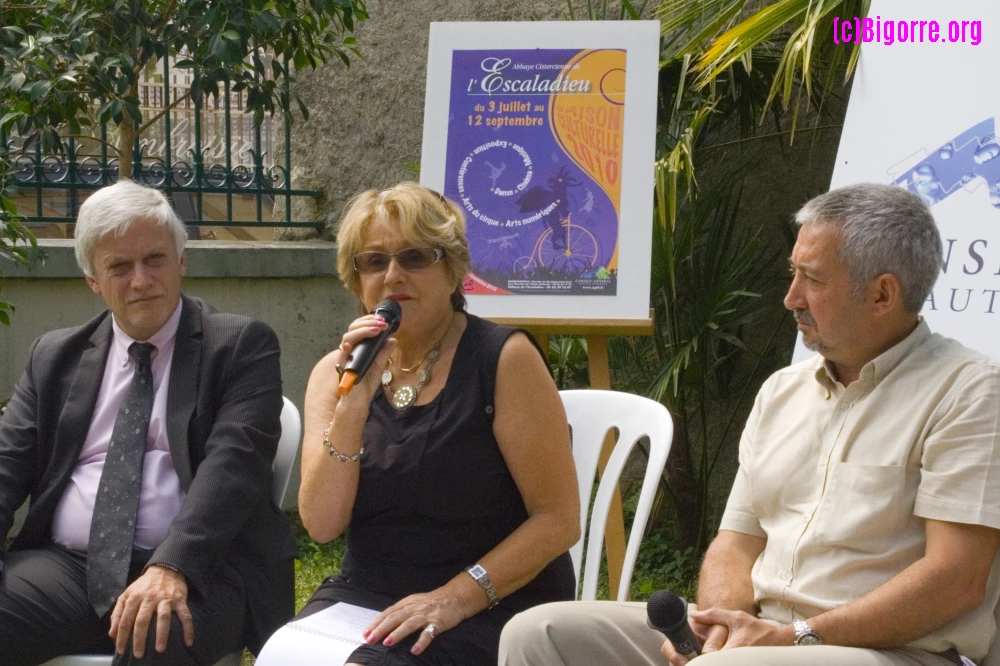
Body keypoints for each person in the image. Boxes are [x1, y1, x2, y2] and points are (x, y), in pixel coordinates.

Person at [499, 183, 1000, 666]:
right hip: (765, 636)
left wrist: (793, 638)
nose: (791, 297)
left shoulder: (970, 391)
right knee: (538, 634)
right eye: (793, 274)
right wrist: (725, 624)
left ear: (882, 295)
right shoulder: (782, 390)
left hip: (894, 650)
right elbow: (735, 543)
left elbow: (955, 579)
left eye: (813, 279)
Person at [0, 180, 296, 665]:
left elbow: (233, 469)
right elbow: (8, 462)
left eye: (155, 259)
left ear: (181, 262)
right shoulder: (54, 356)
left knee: (154, 642)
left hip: (204, 569)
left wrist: (172, 564)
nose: (141, 280)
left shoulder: (240, 346)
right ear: (93, 280)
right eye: (119, 266)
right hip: (69, 569)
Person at [285, 182, 580, 665]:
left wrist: (454, 598)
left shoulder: (505, 360)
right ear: (356, 279)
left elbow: (558, 520)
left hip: (493, 597)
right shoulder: (333, 375)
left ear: (452, 269)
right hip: (370, 592)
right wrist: (353, 403)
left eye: (415, 257)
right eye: (374, 262)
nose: (393, 275)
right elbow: (321, 525)